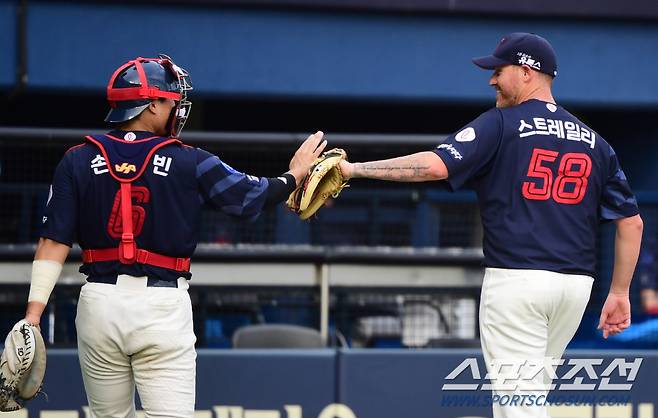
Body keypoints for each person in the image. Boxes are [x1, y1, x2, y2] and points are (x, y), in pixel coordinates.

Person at [338, 33, 643, 417]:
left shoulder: (501, 123)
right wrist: (619, 292)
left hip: (518, 283)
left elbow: (435, 165)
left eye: (499, 70)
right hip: (575, 288)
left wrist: (354, 169)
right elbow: (631, 223)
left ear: (528, 72)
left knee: (518, 408)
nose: (491, 80)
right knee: (531, 401)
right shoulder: (596, 142)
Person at [22, 54, 326, 418]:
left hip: (98, 305)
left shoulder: (77, 158)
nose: (177, 108)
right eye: (170, 100)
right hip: (161, 307)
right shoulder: (188, 159)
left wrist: (32, 316)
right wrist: (293, 175)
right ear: (151, 105)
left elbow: (53, 241)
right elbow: (252, 198)